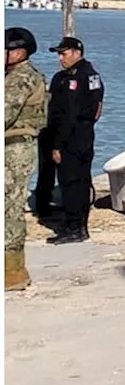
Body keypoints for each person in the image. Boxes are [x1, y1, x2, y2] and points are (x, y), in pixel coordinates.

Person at [44, 36, 105, 245]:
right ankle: (73, 225)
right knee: (72, 182)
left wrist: (58, 145)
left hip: (75, 138)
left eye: (64, 53)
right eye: (59, 54)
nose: (61, 58)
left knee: (74, 183)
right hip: (69, 136)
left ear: (77, 53)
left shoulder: (85, 76)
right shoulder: (62, 77)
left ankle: (76, 228)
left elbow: (78, 114)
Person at [5, 27, 47, 291]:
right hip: (12, 145)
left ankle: (13, 271)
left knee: (9, 208)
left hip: (15, 148)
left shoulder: (21, 78)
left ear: (18, 52)